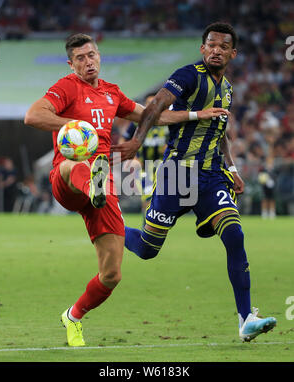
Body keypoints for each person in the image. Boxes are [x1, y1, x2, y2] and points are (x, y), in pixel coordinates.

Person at [24, 33, 226, 347]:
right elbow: (34, 115)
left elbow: (153, 116)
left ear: (99, 56)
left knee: (112, 275)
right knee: (74, 164)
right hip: (68, 179)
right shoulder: (67, 87)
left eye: (91, 55)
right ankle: (94, 181)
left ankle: (73, 316)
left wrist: (196, 114)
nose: (88, 62)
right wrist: (76, 127)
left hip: (103, 189)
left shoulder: (111, 93)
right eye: (80, 58)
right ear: (71, 63)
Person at [112, 22, 277, 342]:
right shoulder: (188, 75)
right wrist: (135, 140)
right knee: (147, 249)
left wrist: (232, 169)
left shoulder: (227, 88)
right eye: (211, 45)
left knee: (235, 234)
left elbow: (221, 132)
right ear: (203, 49)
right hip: (177, 174)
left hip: (212, 175)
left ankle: (245, 319)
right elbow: (156, 106)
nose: (216, 50)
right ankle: (111, 223)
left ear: (233, 53)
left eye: (223, 46)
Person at [121, 92, 169, 216]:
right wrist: (133, 156)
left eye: (156, 103)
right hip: (144, 167)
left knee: (160, 199)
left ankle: (153, 225)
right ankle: (147, 225)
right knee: (147, 195)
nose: (153, 106)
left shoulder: (168, 123)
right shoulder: (137, 123)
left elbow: (178, 142)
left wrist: (169, 148)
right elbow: (124, 140)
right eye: (149, 103)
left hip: (163, 167)